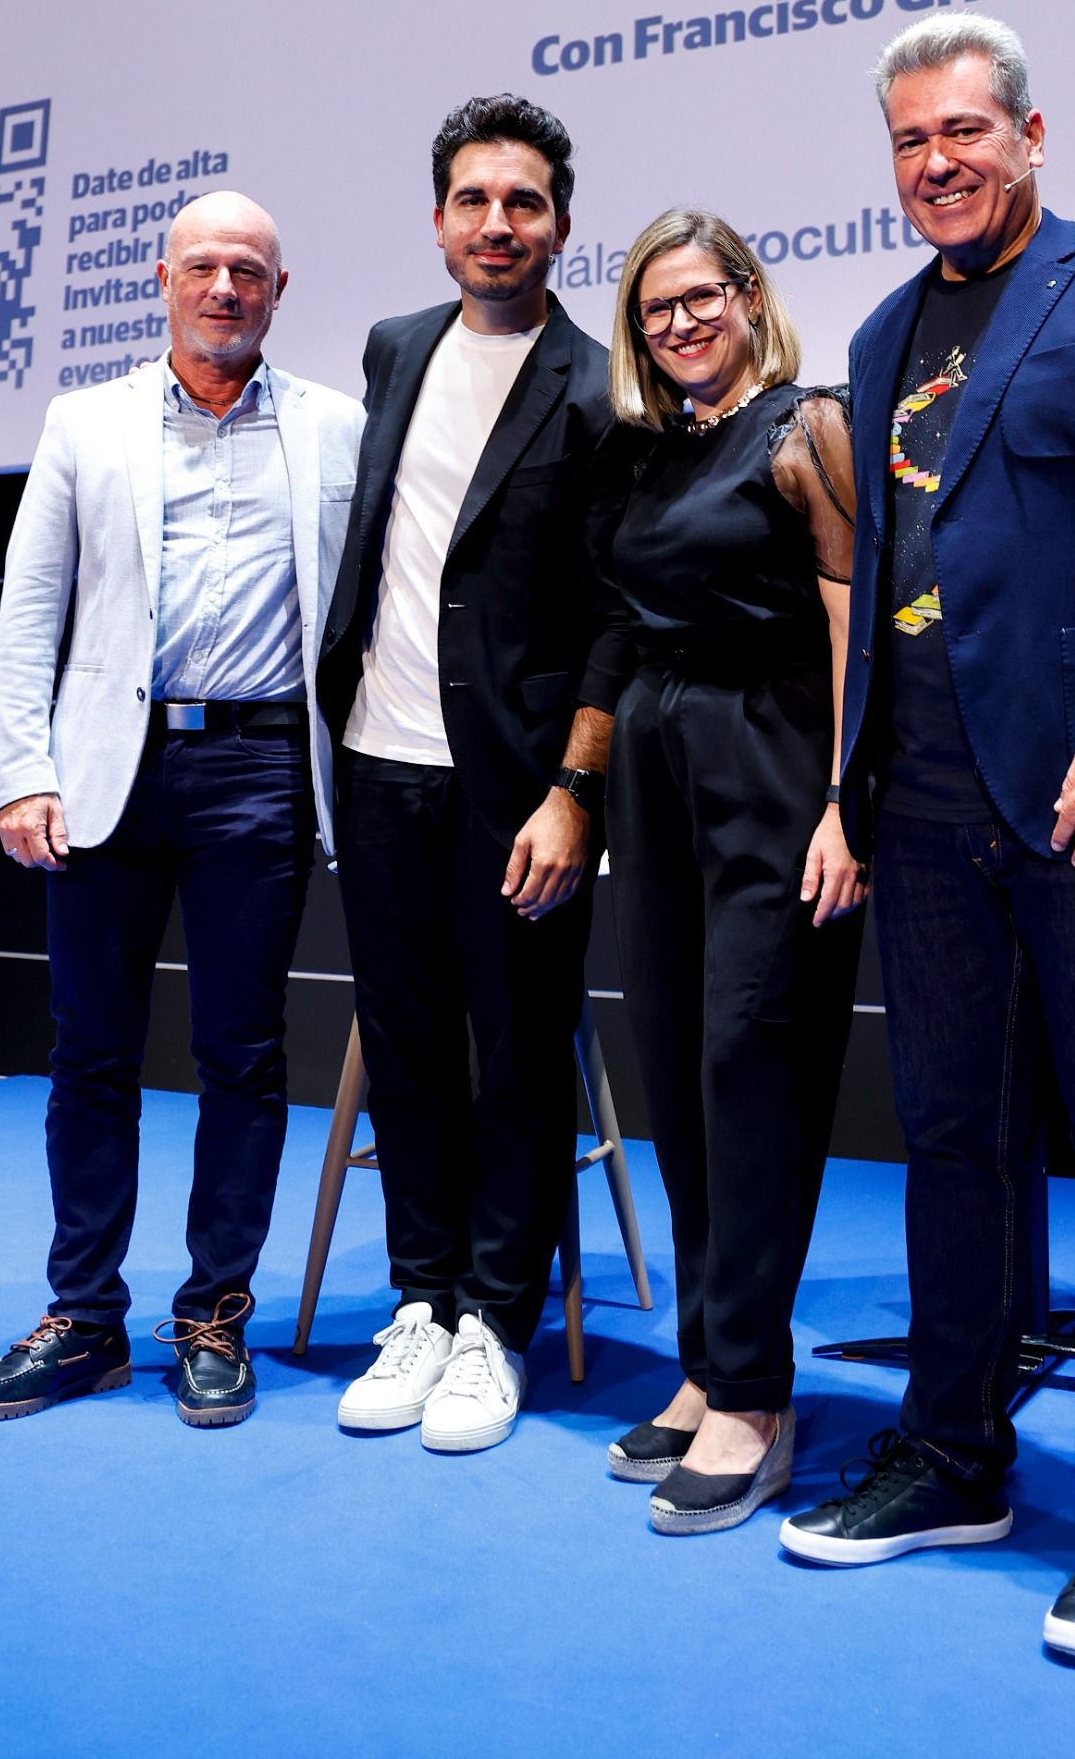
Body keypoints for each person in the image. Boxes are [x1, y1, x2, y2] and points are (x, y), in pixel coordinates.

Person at [779, 13, 1075, 1661]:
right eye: (912, 141)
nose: (938, 163)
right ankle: (960, 1455)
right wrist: (852, 783)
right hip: (922, 807)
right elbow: (881, 583)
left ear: (1034, 134)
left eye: (966, 132)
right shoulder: (876, 332)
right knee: (956, 1141)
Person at [0, 191, 362, 1428]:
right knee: (91, 1054)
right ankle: (81, 1318)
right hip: (104, 773)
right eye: (203, 267)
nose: (225, 287)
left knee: (242, 1055)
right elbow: (33, 608)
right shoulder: (87, 419)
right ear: (162, 279)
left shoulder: (338, 428)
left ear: (280, 291)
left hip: (261, 769)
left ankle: (211, 1316)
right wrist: (21, 768)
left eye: (248, 270)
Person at [316, 94, 621, 1452]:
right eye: (472, 201)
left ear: (559, 223)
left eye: (524, 203)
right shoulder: (392, 351)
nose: (497, 225)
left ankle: (496, 1318)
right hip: (379, 766)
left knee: (513, 1060)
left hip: (518, 790)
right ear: (438, 218)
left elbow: (621, 611)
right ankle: (422, 1301)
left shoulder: (600, 385)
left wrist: (574, 789)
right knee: (408, 1050)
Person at [590, 209, 866, 1536]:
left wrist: (842, 803)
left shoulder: (811, 426)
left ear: (750, 298)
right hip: (656, 780)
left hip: (770, 772)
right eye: (656, 310)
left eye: (702, 297)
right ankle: (710, 1363)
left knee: (754, 1069)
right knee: (682, 1073)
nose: (681, 324)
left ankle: (758, 1397)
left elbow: (851, 624)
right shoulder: (657, 455)